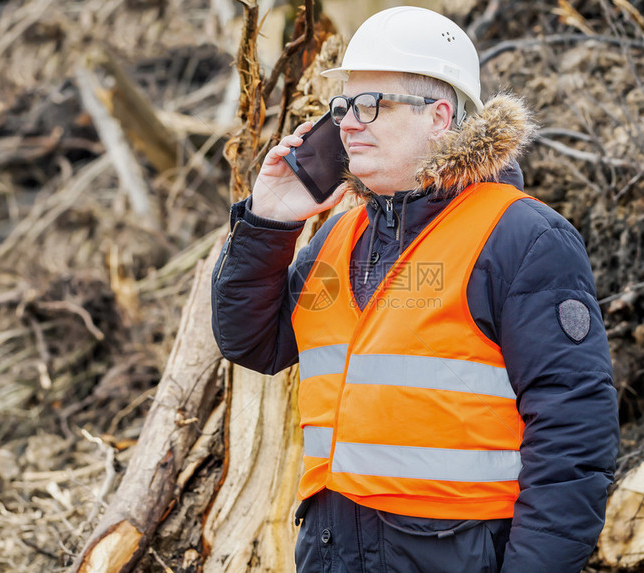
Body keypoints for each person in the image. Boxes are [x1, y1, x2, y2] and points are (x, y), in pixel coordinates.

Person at [212, 6, 619, 572]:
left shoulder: (521, 238)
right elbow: (251, 342)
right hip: (335, 554)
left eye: (372, 105)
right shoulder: (339, 233)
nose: (348, 123)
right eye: (343, 106)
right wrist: (268, 220)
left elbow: (574, 438)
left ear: (440, 117)